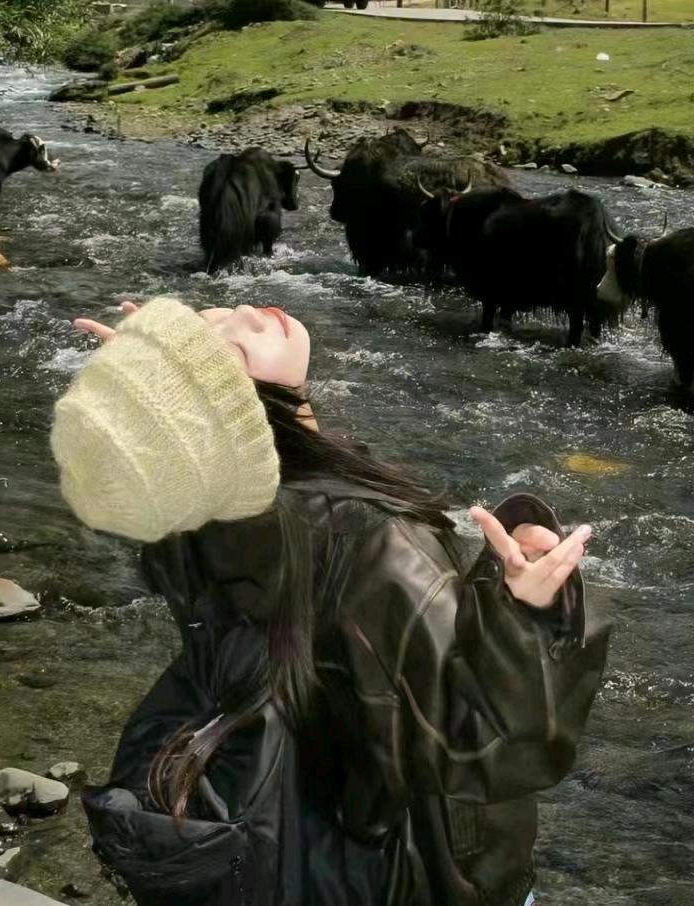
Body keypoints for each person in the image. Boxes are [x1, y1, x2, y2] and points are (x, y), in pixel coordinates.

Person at [50, 295, 610, 906]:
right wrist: (527, 615)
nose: (246, 310)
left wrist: (146, 409)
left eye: (207, 318)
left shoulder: (191, 511)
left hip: (308, 845)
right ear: (228, 416)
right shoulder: (366, 536)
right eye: (228, 352)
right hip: (416, 875)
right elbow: (488, 749)